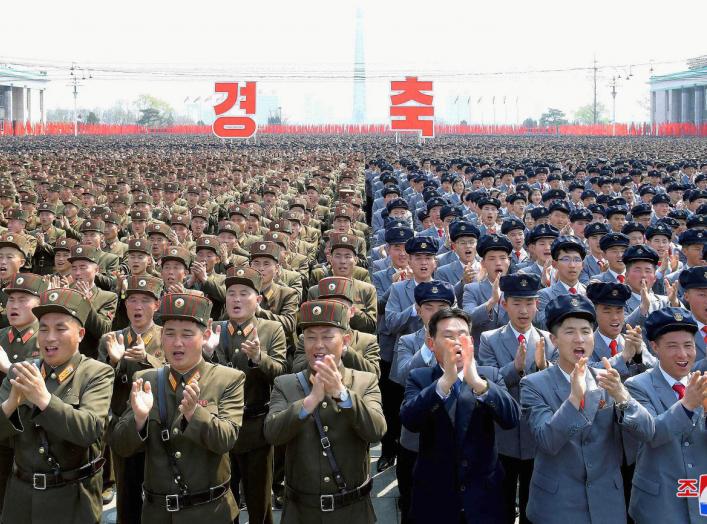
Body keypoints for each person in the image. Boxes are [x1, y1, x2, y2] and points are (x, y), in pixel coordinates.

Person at [111, 292, 246, 523]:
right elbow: (121, 447)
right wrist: (139, 420)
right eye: (170, 334)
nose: (177, 343)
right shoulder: (147, 379)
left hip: (210, 512)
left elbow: (226, 440)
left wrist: (195, 415)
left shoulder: (228, 379)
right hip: (158, 514)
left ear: (204, 336)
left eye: (187, 334)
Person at [520, 294, 654, 524]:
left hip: (607, 504)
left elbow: (647, 432)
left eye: (586, 331)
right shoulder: (534, 384)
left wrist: (623, 398)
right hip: (556, 506)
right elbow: (547, 441)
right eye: (570, 332)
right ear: (554, 339)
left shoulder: (607, 378)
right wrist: (574, 398)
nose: (579, 339)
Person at [264, 300, 386, 523]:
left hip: (352, 511)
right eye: (310, 337)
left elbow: (376, 431)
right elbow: (272, 433)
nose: (318, 345)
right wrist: (309, 402)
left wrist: (342, 393)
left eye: (327, 336)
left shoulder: (363, 381)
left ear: (345, 341)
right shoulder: (286, 384)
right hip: (302, 512)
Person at [0, 288, 114, 523]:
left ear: (81, 334)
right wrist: (12, 403)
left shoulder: (96, 373)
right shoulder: (20, 370)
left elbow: (90, 430)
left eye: (61, 328)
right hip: (20, 499)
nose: (50, 337)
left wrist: (44, 400)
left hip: (70, 499)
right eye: (43, 329)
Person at [400, 307, 520, 523]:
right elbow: (410, 420)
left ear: (471, 343)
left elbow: (511, 418)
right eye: (448, 336)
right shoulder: (420, 377)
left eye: (462, 335)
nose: (457, 342)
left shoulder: (489, 376)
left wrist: (479, 384)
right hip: (435, 497)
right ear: (431, 343)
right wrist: (444, 382)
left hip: (485, 498)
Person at [477, 274, 556, 523]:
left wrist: (544, 369)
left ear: (537, 305)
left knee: (536, 506)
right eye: (517, 303)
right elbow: (489, 384)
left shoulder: (549, 341)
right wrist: (515, 367)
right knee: (501, 503)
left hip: (537, 437)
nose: (524, 311)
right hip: (504, 436)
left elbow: (558, 387)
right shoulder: (489, 339)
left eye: (529, 303)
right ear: (504, 304)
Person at [625, 307, 707, 523]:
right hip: (658, 503)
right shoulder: (637, 386)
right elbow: (652, 433)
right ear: (654, 347)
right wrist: (688, 404)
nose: (683, 354)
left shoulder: (703, 383)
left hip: (702, 496)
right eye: (672, 346)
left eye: (688, 345)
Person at [98, 275, 164, 523]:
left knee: (159, 491)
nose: (138, 306)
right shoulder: (111, 339)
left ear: (156, 305)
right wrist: (113, 362)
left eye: (145, 301)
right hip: (123, 427)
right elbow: (99, 383)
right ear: (124, 305)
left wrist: (147, 359)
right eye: (132, 300)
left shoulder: (166, 336)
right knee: (127, 493)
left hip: (158, 425)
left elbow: (173, 374)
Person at [391, 280, 454, 524]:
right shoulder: (408, 341)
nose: (436, 312)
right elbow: (402, 374)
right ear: (418, 309)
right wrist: (429, 347)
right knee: (412, 502)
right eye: (429, 307)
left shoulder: (461, 340)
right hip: (415, 440)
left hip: (450, 438)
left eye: (442, 306)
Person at [0, 273, 47, 512]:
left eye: (22, 299)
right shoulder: (1, 337)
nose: (14, 305)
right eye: (11, 300)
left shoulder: (48, 339)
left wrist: (8, 367)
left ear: (39, 304)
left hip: (30, 436)